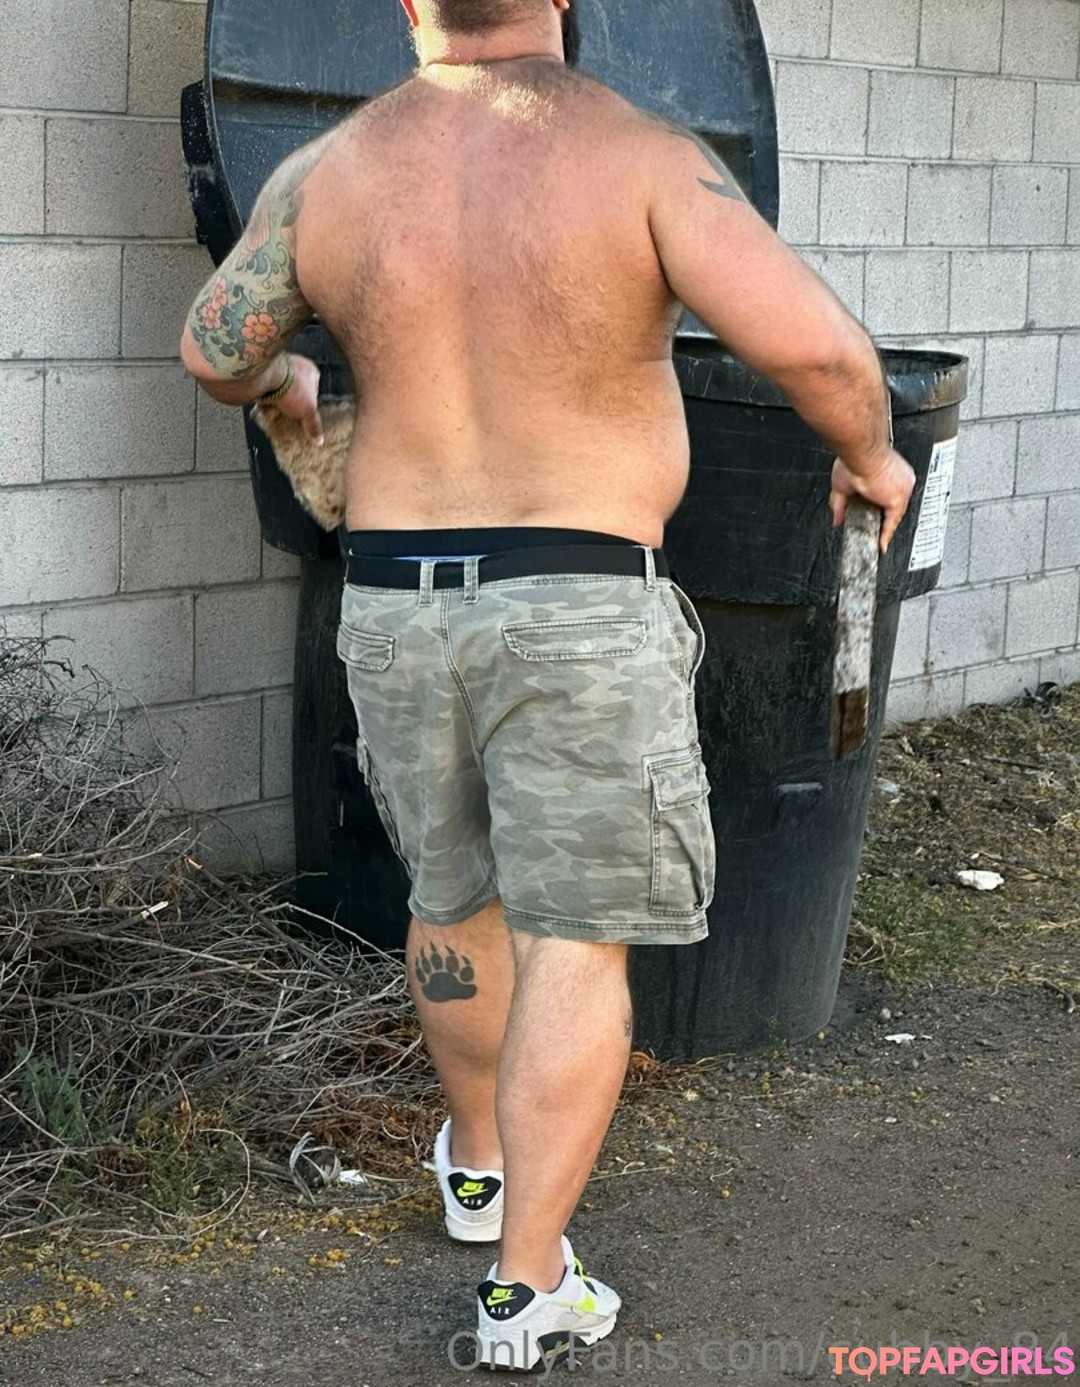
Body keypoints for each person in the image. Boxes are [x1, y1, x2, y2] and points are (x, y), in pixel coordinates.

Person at [180, 0, 915, 1370]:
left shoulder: (329, 173)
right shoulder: (642, 157)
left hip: (398, 604)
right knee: (575, 940)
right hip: (574, 607)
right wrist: (871, 455)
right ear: (563, 2)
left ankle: (475, 1164)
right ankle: (527, 1289)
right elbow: (816, 349)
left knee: (453, 902)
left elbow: (215, 348)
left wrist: (288, 380)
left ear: (413, 6)